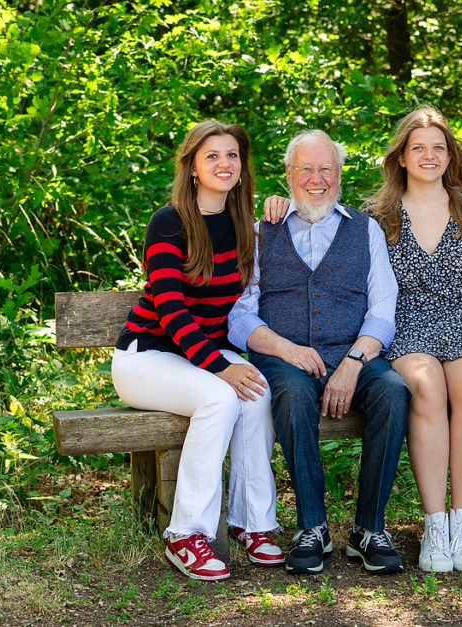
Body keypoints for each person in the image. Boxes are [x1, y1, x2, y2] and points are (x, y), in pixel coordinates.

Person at [227, 130, 410, 576]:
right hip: (282, 356)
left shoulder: (364, 230)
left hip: (353, 354)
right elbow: (239, 316)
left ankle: (369, 529)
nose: (316, 178)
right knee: (290, 393)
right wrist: (285, 349)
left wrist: (354, 361)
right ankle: (313, 528)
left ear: (339, 174)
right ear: (289, 175)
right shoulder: (259, 231)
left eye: (325, 168)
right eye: (305, 169)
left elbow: (384, 308)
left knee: (393, 392)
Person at [111, 120, 283, 581]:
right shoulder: (169, 223)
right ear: (191, 167)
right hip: (145, 357)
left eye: (232, 155)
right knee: (222, 395)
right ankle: (186, 534)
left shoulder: (245, 225)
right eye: (212, 156)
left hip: (195, 358)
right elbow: (171, 312)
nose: (224, 164)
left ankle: (254, 523)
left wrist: (280, 206)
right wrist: (221, 367)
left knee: (258, 391)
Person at [367, 107, 462, 572]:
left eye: (438, 148)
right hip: (404, 324)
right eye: (418, 147)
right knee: (426, 385)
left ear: (450, 156)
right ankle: (434, 525)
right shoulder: (375, 215)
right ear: (400, 156)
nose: (429, 155)